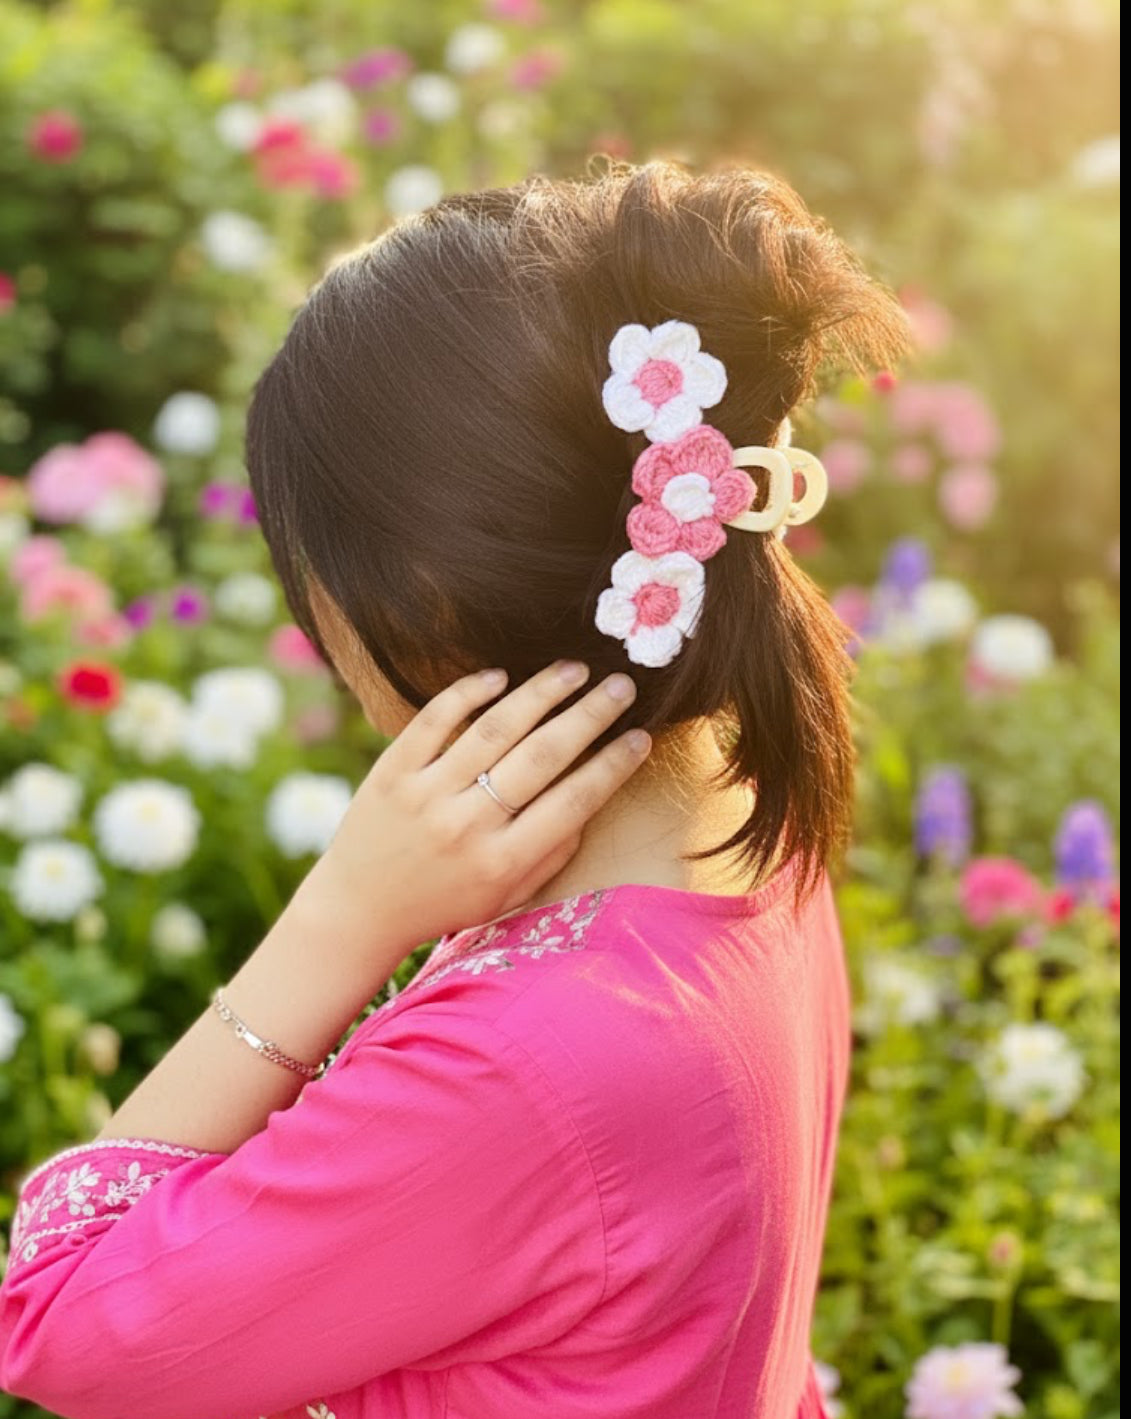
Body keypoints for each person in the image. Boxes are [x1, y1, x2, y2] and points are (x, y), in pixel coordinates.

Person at [0, 159, 908, 1419]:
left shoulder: (525, 1063)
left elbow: (60, 1320)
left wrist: (338, 919)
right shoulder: (748, 832)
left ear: (416, 602)